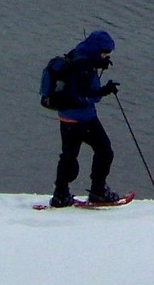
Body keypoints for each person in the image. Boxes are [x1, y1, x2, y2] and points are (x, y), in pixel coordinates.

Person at [45, 29, 121, 207]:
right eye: (104, 52)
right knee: (104, 151)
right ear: (96, 49)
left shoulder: (77, 55)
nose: (105, 55)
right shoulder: (84, 66)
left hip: (66, 118)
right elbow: (85, 94)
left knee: (68, 156)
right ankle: (98, 191)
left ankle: (60, 194)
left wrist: (98, 65)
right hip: (83, 119)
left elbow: (76, 83)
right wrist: (104, 90)